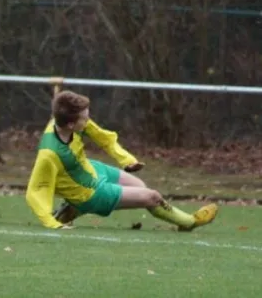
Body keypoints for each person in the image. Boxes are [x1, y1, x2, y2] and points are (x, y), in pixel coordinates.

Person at [25, 90, 218, 231]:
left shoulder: (68, 124)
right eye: (84, 118)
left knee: (140, 185)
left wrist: (126, 160)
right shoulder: (49, 153)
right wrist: (52, 224)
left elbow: (103, 137)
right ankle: (190, 222)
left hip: (91, 169)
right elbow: (36, 190)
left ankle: (71, 209)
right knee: (151, 197)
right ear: (70, 123)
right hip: (89, 193)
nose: (88, 120)